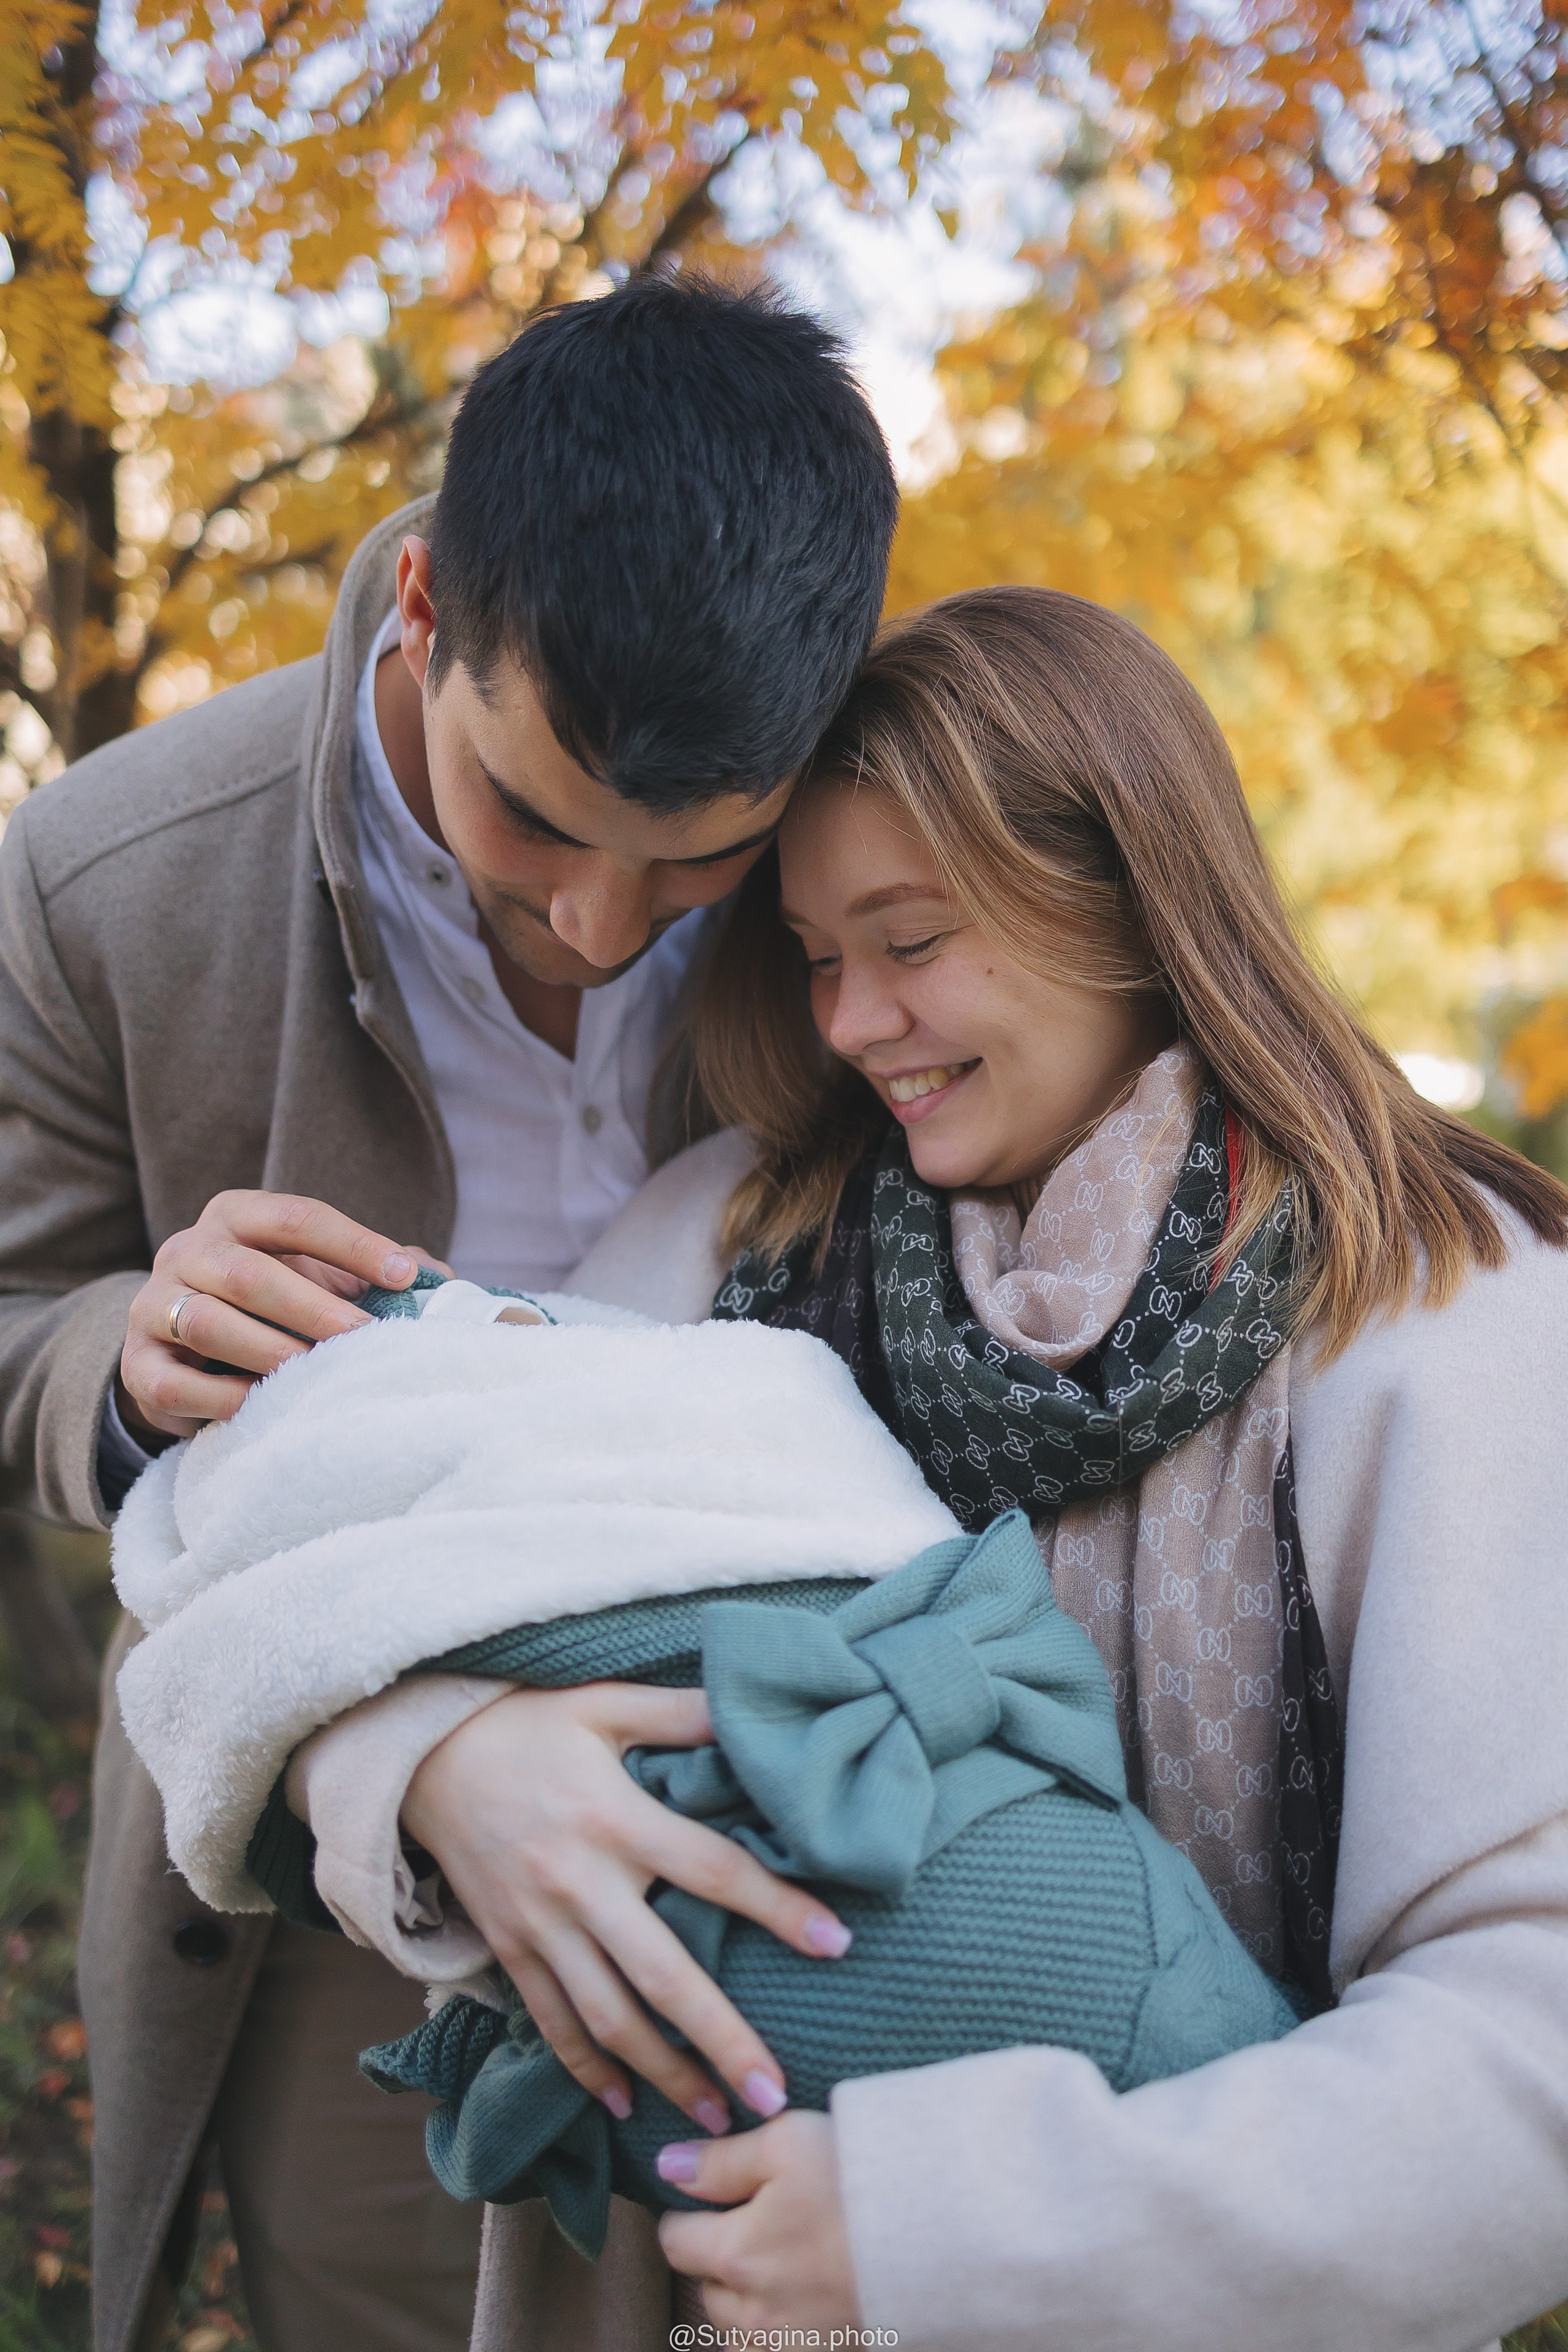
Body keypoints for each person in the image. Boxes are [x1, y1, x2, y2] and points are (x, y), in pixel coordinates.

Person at [328, 586, 1568, 2351]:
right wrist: (435, 1766)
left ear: (1128, 904)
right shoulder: (722, 1245)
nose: (851, 1023)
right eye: (815, 956)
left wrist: (942, 2228)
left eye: (910, 942)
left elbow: (1529, 2047)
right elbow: (399, 1584)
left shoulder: (1448, 1323)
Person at [0, 274, 898, 2352]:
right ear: (423, 607)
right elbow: (16, 1308)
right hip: (326, 1840)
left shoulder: (885, 851)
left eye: (696, 871)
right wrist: (126, 1363)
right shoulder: (102, 880)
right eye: (535, 822)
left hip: (831, 1787)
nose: (596, 924)